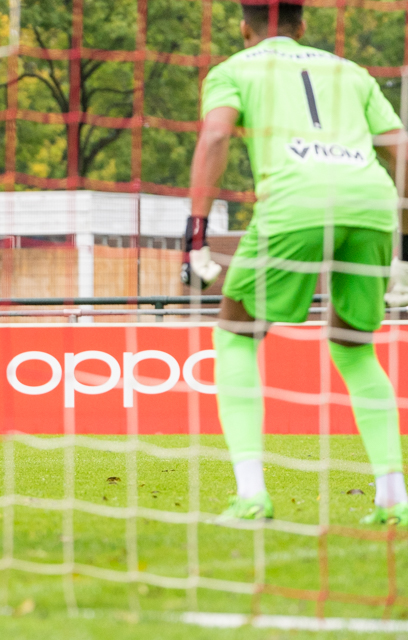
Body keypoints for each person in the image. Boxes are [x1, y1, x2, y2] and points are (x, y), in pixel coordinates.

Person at [182, 1, 408, 523]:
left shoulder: (234, 68)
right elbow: (398, 149)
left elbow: (215, 135)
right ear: (303, 26)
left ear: (245, 28)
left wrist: (196, 230)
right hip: (370, 204)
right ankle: (393, 499)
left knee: (236, 336)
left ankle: (252, 495)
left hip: (295, 202)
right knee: (354, 349)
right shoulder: (349, 71)